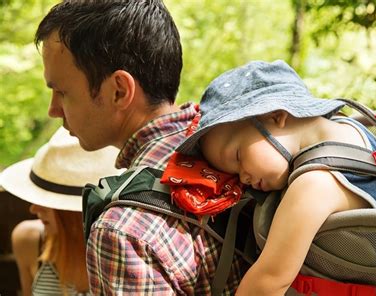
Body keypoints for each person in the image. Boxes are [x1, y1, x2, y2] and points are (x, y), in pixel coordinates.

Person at [34, 0, 249, 294]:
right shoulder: (243, 147)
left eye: (62, 92)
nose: (53, 110)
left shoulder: (121, 232)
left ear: (119, 91)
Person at [176, 60, 376, 295]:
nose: (242, 178)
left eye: (237, 156)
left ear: (276, 116)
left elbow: (268, 282)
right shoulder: (348, 128)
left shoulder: (314, 186)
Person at [1, 127, 121, 296]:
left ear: (76, 211)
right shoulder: (29, 241)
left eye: (47, 201)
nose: (34, 208)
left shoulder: (122, 250)